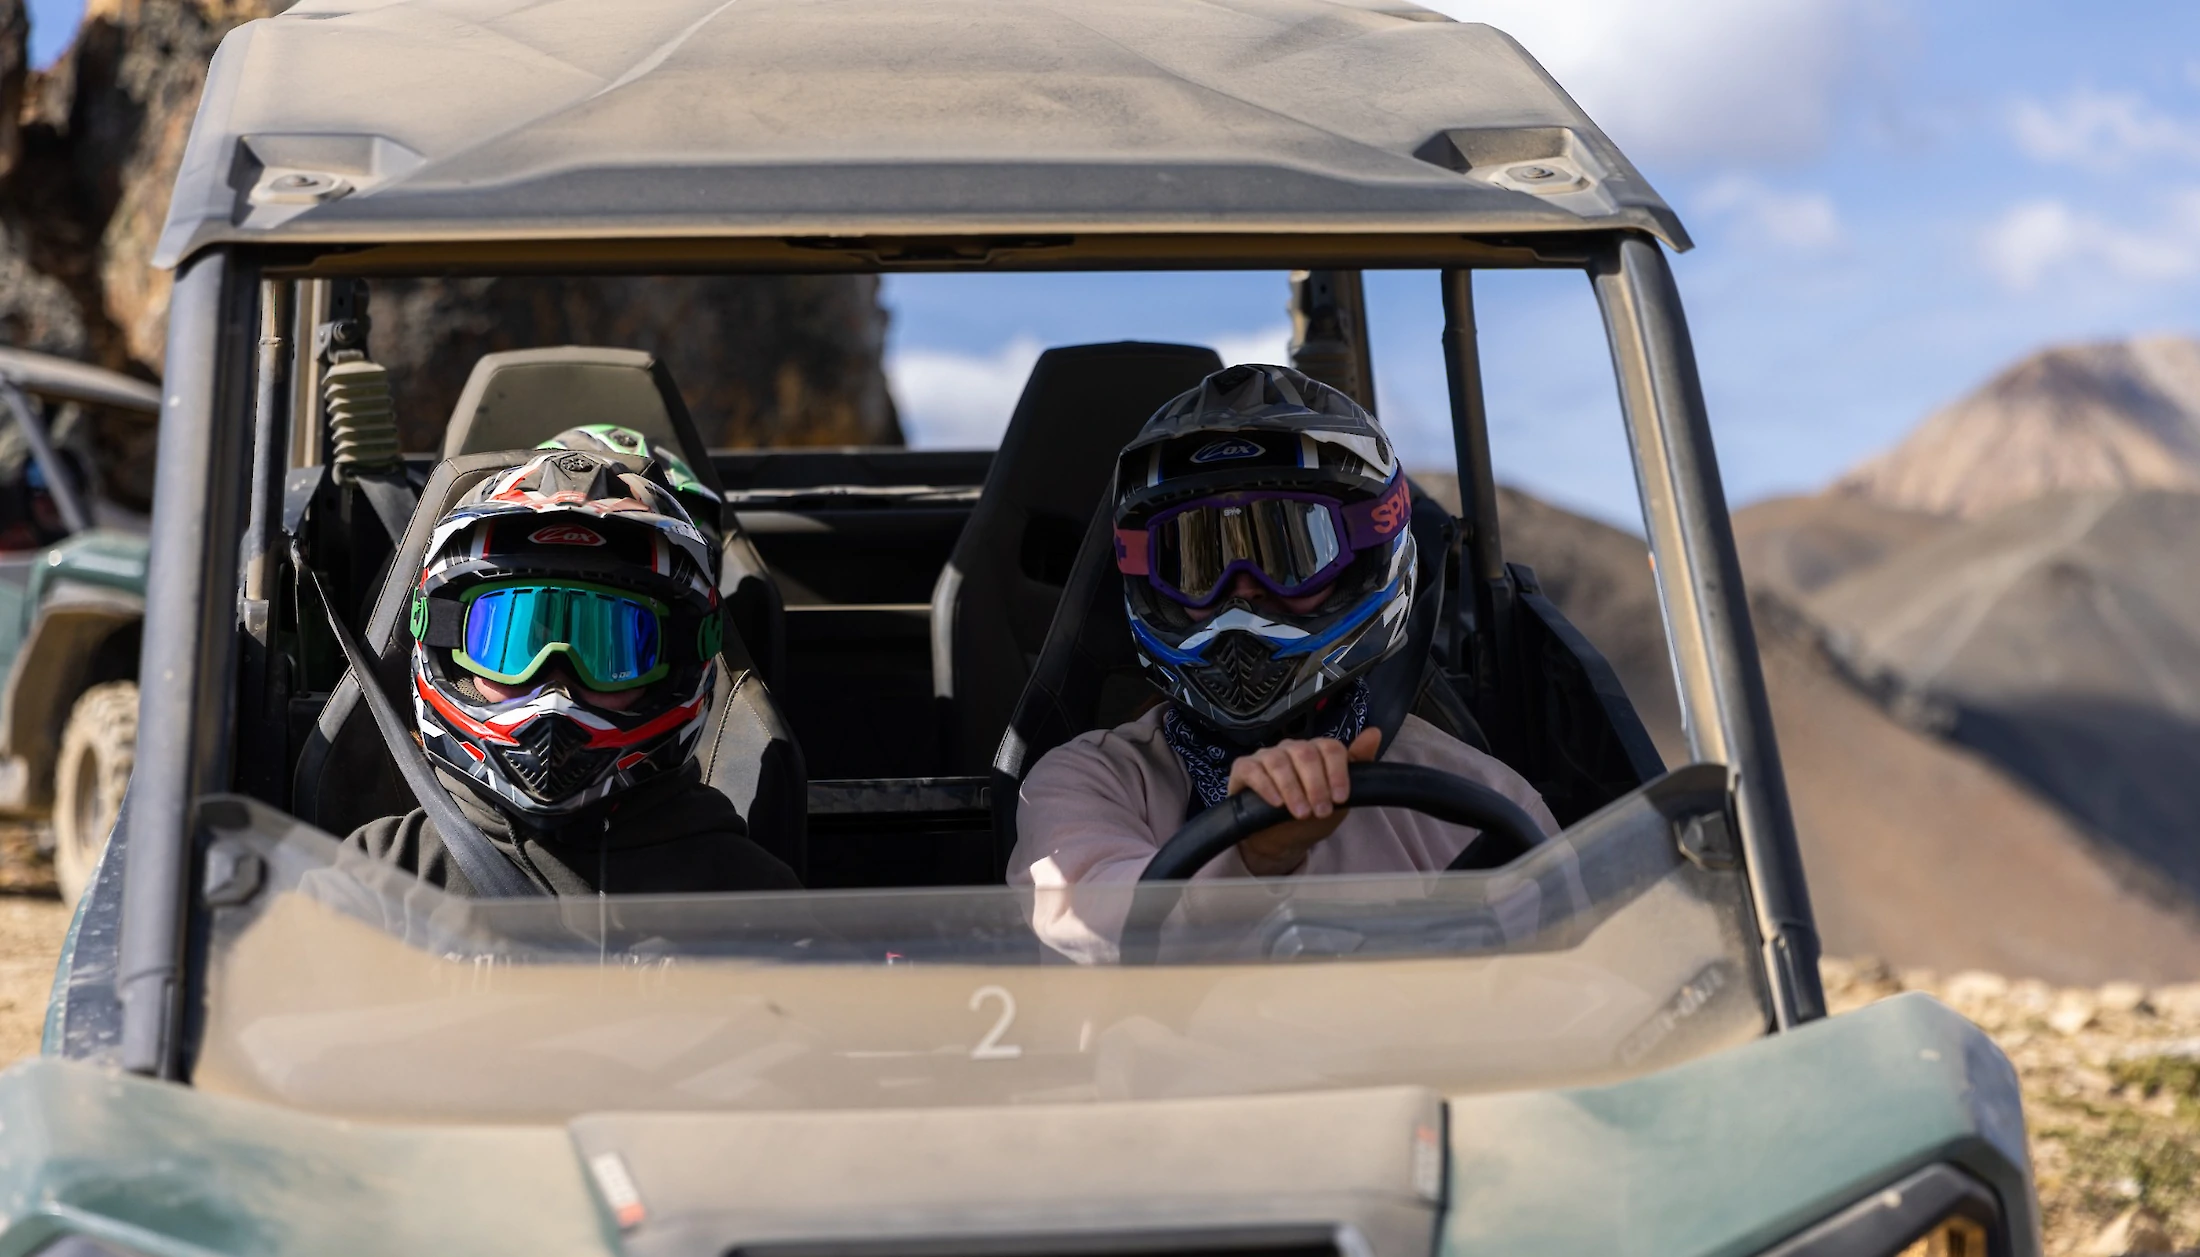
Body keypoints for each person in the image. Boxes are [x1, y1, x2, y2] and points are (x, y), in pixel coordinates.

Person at [1008, 364, 1557, 959]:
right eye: (1198, 560)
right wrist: (1254, 856)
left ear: (1366, 558)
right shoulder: (1089, 782)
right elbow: (1095, 925)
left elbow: (1575, 994)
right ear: (1152, 583)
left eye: (1290, 551)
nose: (1241, 591)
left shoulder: (1480, 799)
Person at [345, 447, 799, 896]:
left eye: (608, 648)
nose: (554, 688)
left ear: (677, 665)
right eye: (512, 643)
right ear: (445, 644)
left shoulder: (745, 897)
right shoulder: (377, 877)